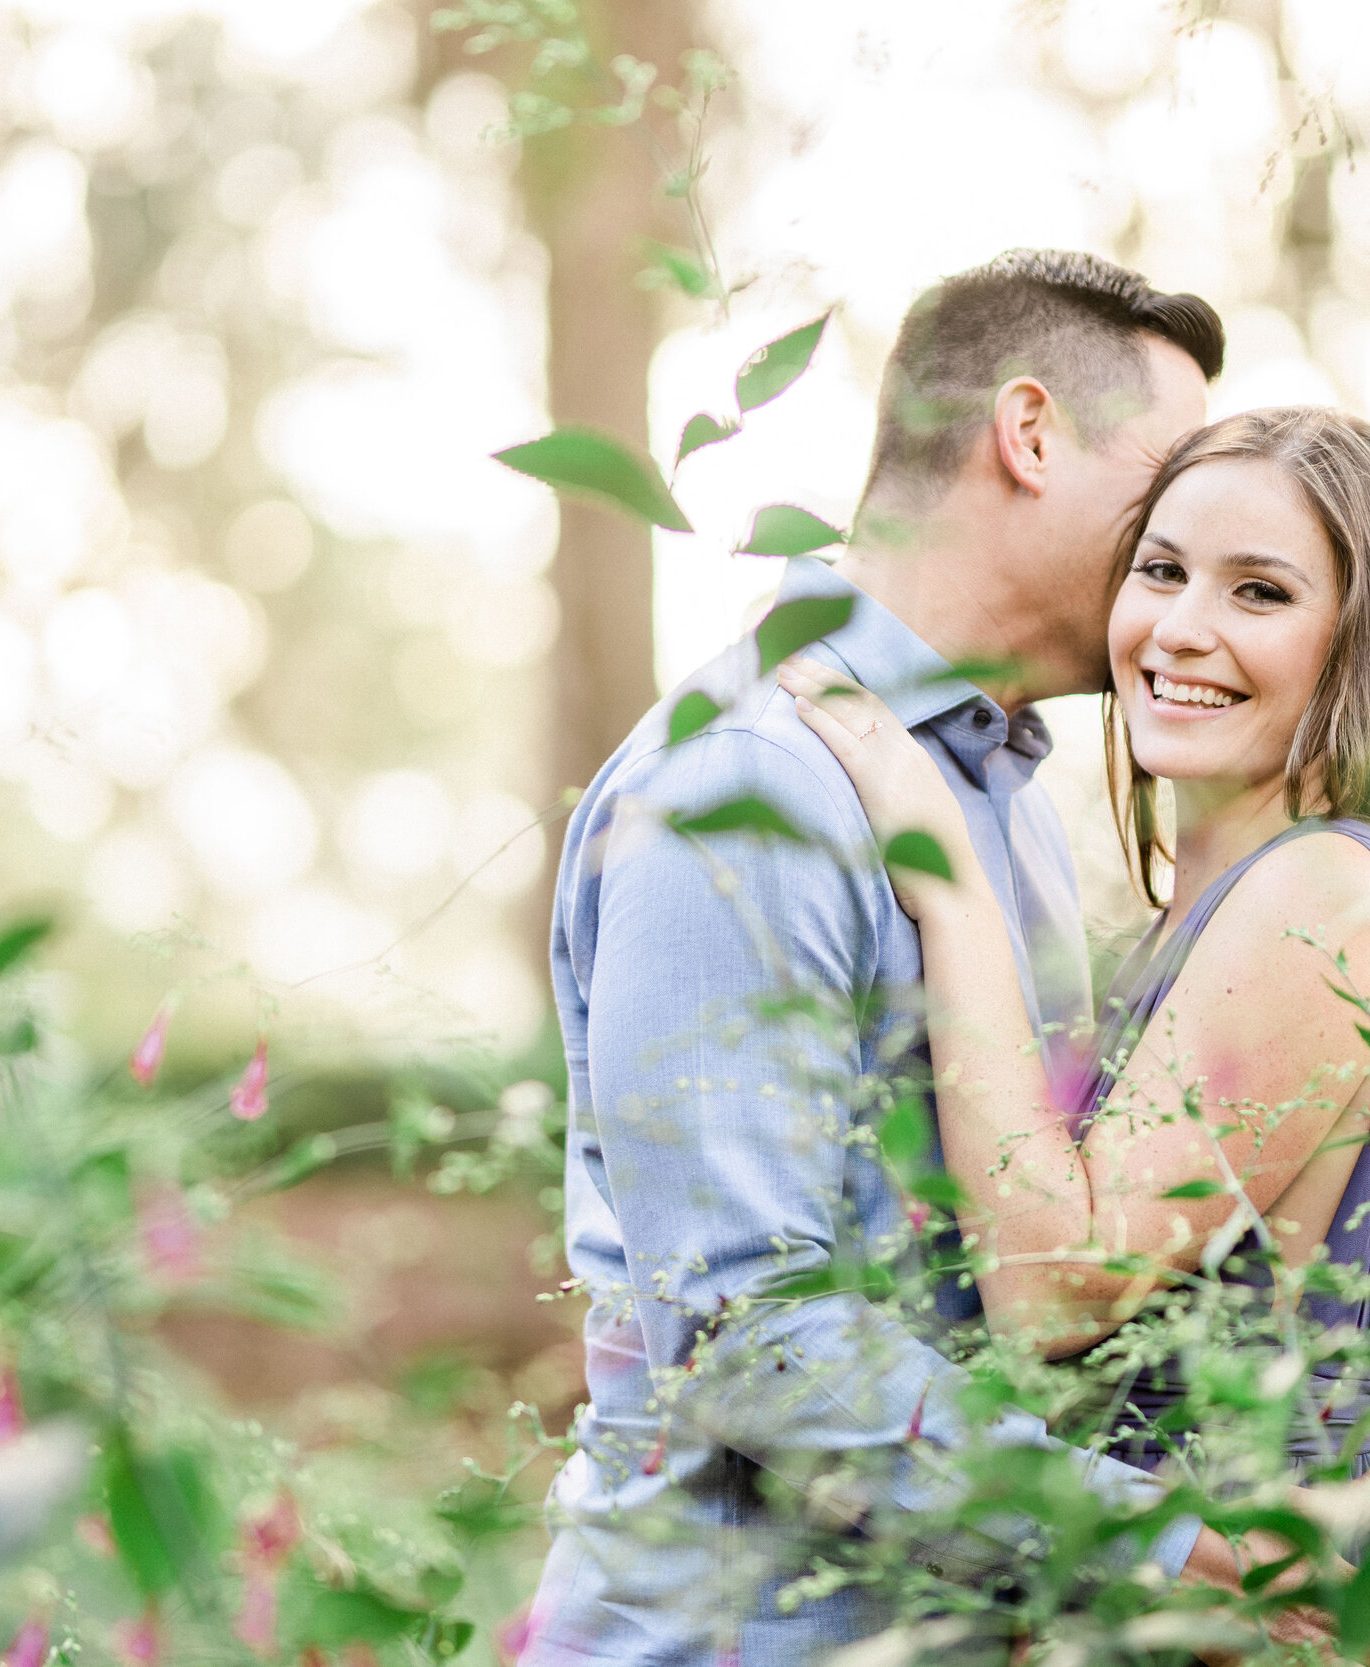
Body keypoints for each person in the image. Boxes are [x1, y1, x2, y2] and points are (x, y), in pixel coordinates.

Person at [517, 250, 1238, 1667]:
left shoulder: (997, 805)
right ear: (1029, 435)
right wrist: (1154, 1548)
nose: (1187, 551)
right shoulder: (755, 786)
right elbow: (757, 1340)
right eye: (1167, 493)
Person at [779, 406, 1370, 1659]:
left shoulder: (1324, 892)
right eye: (1162, 569)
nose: (1183, 627)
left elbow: (1055, 1281)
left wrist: (942, 866)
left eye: (1259, 591)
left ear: (1360, 645)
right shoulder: (1215, 913)